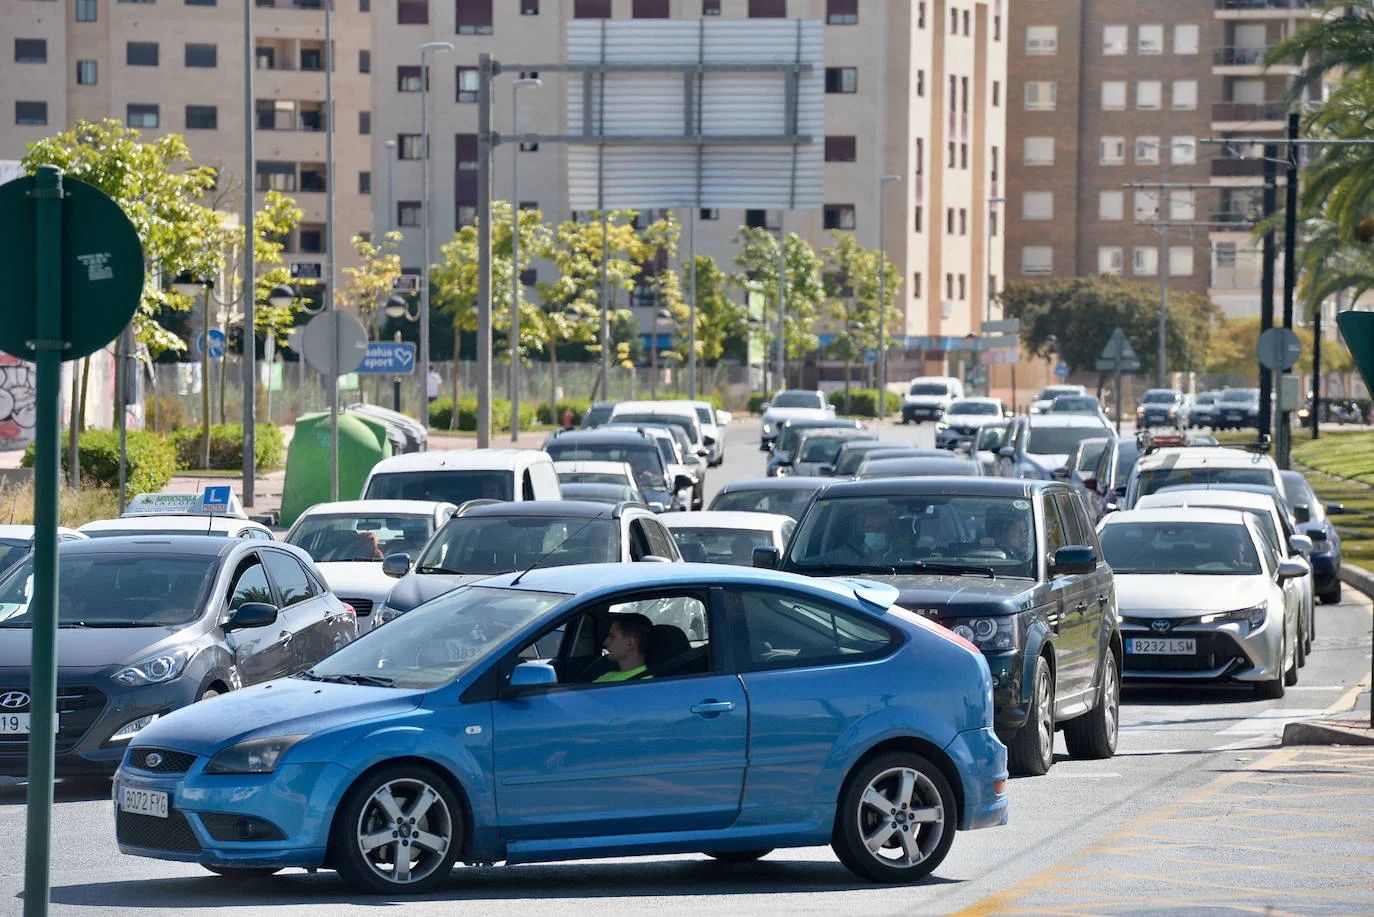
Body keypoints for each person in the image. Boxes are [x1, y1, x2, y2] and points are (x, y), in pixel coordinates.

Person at [595, 613, 653, 682]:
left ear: (630, 643)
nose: (605, 643)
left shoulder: (645, 683)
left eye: (612, 636)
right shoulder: (608, 675)